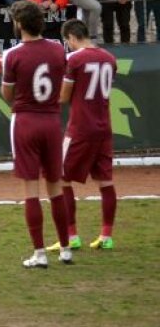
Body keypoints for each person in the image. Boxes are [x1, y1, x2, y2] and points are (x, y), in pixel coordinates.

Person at [1, 0, 72, 269]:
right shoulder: (57, 49)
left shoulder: (13, 54)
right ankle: (65, 248)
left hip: (25, 120)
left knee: (31, 189)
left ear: (19, 24)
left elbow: (7, 94)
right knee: (56, 186)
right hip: (52, 120)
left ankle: (40, 253)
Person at [53, 19, 118, 252]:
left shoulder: (75, 59)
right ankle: (106, 236)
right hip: (104, 127)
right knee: (106, 181)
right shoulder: (110, 58)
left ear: (71, 37)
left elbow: (63, 97)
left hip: (80, 127)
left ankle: (71, 236)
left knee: (61, 179)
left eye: (67, 41)